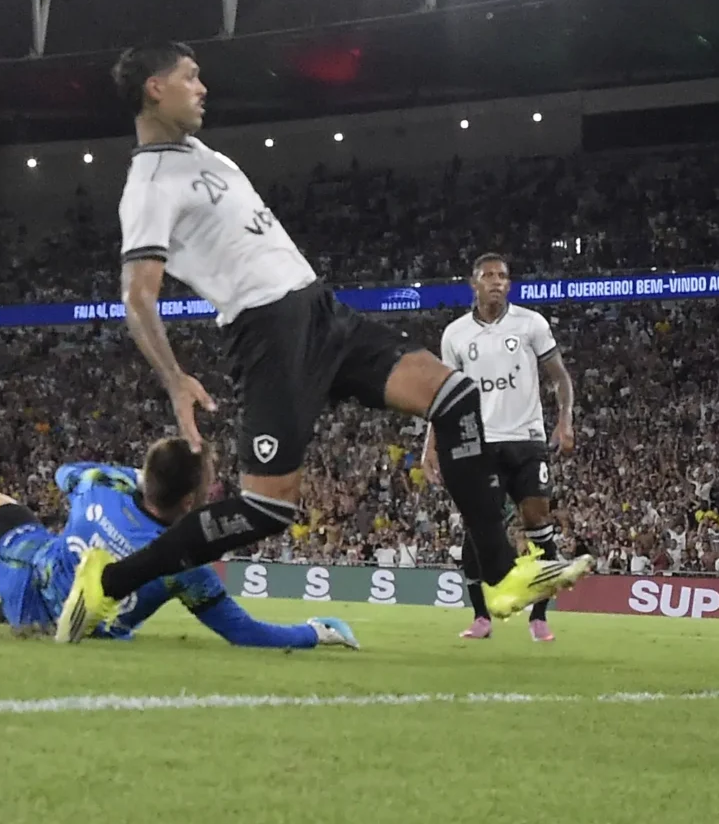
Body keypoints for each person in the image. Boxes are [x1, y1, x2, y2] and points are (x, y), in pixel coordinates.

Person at [57, 42, 591, 643]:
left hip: (322, 311)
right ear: (156, 88)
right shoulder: (149, 182)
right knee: (269, 509)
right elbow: (137, 295)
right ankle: (108, 583)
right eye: (190, 77)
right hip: (268, 335)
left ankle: (499, 576)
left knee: (456, 396)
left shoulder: (196, 152)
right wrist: (174, 377)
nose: (203, 87)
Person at [0, 438, 359, 651]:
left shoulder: (99, 485)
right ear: (191, 499)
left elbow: (62, 473)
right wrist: (314, 632)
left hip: (26, 584)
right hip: (91, 627)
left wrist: (130, 474)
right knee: (81, 585)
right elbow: (245, 633)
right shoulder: (185, 561)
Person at [424, 253, 576, 642]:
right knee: (478, 531)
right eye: (487, 275)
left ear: (509, 283)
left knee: (538, 523)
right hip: (479, 444)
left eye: (503, 275)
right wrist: (430, 445)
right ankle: (481, 617)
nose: (496, 281)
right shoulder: (455, 334)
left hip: (526, 440)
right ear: (473, 283)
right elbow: (444, 395)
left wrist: (565, 420)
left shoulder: (531, 324)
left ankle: (539, 617)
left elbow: (560, 377)